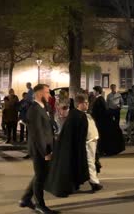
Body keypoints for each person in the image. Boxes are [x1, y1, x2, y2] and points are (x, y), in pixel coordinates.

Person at [45, 94, 97, 197]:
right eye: (85, 103)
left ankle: (84, 184)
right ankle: (93, 183)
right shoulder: (77, 116)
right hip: (73, 148)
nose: (88, 104)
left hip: (74, 147)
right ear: (80, 104)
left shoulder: (78, 115)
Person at [19, 84, 56, 214]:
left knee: (40, 174)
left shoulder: (42, 107)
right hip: (40, 149)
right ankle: (40, 205)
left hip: (45, 147)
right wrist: (45, 152)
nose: (49, 95)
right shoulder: (34, 110)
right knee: (41, 176)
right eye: (47, 93)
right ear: (40, 94)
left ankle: (26, 199)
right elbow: (37, 133)